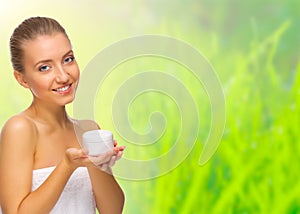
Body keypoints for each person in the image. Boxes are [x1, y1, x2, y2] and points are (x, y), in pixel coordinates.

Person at [0, 16, 125, 214]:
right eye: (45, 67)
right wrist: (67, 166)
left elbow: (112, 209)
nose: (63, 76)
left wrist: (95, 163)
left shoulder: (88, 130)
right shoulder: (20, 129)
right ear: (22, 79)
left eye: (68, 59)